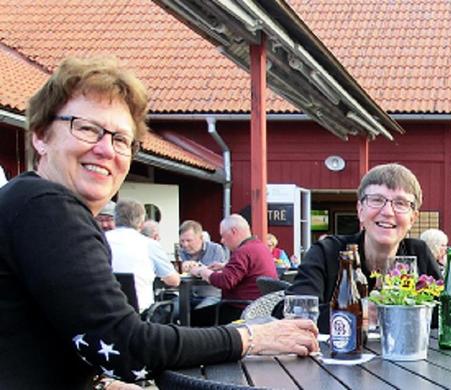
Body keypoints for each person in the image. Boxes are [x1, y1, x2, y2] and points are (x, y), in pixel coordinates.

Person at [0, 56, 317, 388]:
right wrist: (249, 337)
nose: (106, 150)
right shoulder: (46, 207)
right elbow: (126, 345)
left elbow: (59, 340)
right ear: (40, 136)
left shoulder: (26, 202)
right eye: (88, 128)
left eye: (121, 139)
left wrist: (101, 383)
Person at [287, 163, 442, 333]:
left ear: (413, 218)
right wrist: (363, 313)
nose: (388, 212)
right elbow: (295, 313)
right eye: (376, 200)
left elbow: (445, 314)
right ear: (360, 210)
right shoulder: (327, 251)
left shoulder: (419, 253)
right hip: (335, 358)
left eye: (401, 203)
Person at [189, 214, 278, 325]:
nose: (222, 240)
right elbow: (248, 270)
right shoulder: (260, 247)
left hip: (241, 310)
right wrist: (225, 266)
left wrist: (201, 271)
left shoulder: (243, 251)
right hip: (259, 309)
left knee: (191, 317)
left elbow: (225, 281)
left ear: (234, 232)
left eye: (223, 235)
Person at [106, 198, 180, 312]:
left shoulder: (101, 240)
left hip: (105, 310)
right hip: (141, 314)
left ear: (115, 219)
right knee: (176, 304)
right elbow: (174, 281)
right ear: (141, 223)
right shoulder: (149, 244)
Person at [178, 220, 228, 308]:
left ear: (201, 238)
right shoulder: (180, 252)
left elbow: (219, 276)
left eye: (189, 240)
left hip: (210, 295)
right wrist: (180, 268)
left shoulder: (215, 249)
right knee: (169, 310)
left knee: (200, 314)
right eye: (182, 241)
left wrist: (198, 267)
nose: (185, 244)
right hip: (186, 295)